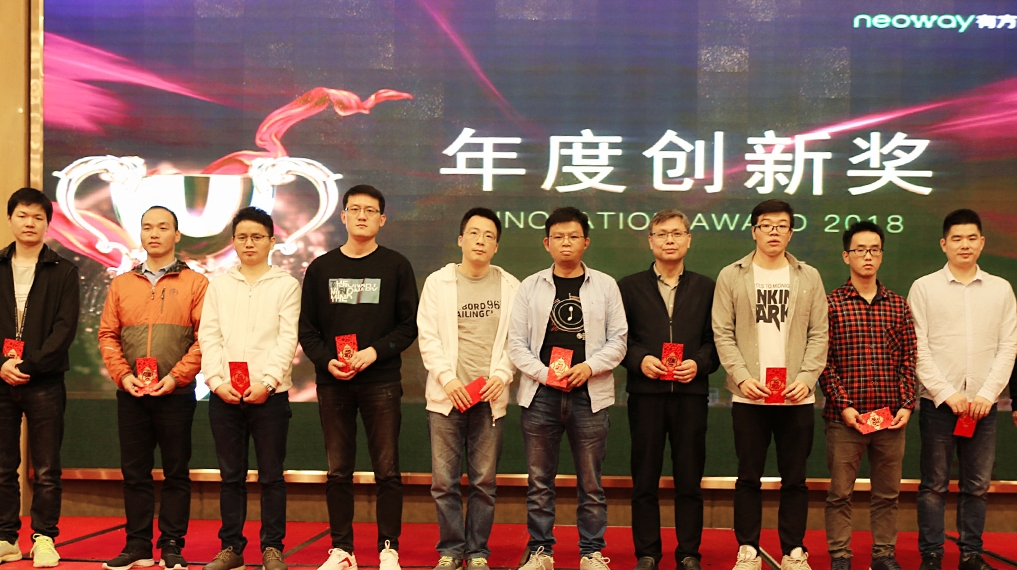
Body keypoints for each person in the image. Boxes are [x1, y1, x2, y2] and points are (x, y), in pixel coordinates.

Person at [298, 185, 418, 570]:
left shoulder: (396, 265)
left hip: (381, 381)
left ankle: (388, 549)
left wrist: (374, 352)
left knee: (387, 471)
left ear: (382, 219)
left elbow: (408, 326)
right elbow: (307, 331)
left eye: (370, 210)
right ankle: (342, 550)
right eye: (355, 209)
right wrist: (327, 361)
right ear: (343, 216)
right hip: (334, 383)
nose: (362, 215)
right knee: (338, 471)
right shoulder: (321, 268)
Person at [508, 206, 627, 570]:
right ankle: (541, 552)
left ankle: (591, 552)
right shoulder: (530, 286)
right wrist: (545, 374)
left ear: (586, 242)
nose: (566, 243)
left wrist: (589, 367)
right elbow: (516, 345)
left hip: (589, 395)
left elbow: (619, 340)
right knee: (539, 481)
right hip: (540, 394)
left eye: (573, 236)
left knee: (591, 482)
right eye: (558, 237)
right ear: (547, 243)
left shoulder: (605, 285)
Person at [712, 199, 828, 570]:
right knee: (748, 477)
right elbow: (722, 332)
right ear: (754, 231)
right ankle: (748, 549)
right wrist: (742, 377)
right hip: (750, 397)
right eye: (766, 225)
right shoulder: (732, 275)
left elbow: (819, 333)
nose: (773, 231)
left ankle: (793, 550)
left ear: (791, 232)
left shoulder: (809, 276)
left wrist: (806, 379)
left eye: (781, 225)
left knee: (795, 479)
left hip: (796, 397)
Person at [98, 206, 208, 570]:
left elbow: (204, 339)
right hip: (131, 393)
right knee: (135, 473)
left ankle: (172, 544)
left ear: (177, 235)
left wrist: (175, 377)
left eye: (163, 227)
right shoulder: (121, 284)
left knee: (176, 472)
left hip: (176, 393)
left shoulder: (196, 283)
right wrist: (123, 376)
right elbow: (108, 335)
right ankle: (138, 545)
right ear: (141, 234)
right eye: (148, 227)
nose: (154, 233)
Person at [908, 209, 1017, 570]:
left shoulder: (1001, 289)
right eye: (957, 238)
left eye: (971, 238)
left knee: (977, 486)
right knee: (934, 485)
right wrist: (946, 393)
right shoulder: (924, 287)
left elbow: (1008, 347)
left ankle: (971, 554)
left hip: (984, 406)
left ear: (982, 242)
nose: (964, 245)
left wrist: (987, 394)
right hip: (938, 404)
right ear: (944, 244)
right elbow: (918, 348)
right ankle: (932, 555)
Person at [417, 207, 520, 570]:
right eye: (474, 233)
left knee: (484, 483)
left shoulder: (511, 286)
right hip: (447, 398)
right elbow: (427, 336)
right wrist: (448, 379)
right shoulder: (438, 282)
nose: (481, 240)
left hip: (489, 399)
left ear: (496, 247)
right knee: (444, 483)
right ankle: (450, 550)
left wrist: (502, 375)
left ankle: (477, 553)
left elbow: (516, 341)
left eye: (489, 236)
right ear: (461, 240)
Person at [198, 207, 300, 570]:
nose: (249, 243)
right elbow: (209, 336)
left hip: (270, 396)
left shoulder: (286, 285)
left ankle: (272, 548)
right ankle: (231, 548)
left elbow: (287, 339)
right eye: (242, 237)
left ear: (272, 241)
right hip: (224, 396)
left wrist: (267, 383)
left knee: (271, 476)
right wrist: (216, 382)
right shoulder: (219, 285)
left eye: (257, 236)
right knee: (231, 477)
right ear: (233, 242)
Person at [618, 209, 719, 570]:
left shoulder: (707, 287)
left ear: (689, 239)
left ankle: (689, 553)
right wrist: (639, 360)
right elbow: (618, 340)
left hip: (691, 395)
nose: (669, 240)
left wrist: (700, 363)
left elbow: (716, 341)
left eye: (676, 233)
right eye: (662, 234)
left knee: (689, 480)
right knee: (644, 479)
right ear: (650, 241)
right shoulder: (628, 287)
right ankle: (647, 553)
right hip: (646, 395)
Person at [820, 221, 917, 570]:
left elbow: (909, 359)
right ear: (846, 256)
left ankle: (884, 554)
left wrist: (907, 404)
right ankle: (840, 555)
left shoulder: (898, 305)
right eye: (860, 249)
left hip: (890, 419)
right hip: (845, 419)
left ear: (881, 255)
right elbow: (823, 362)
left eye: (874, 249)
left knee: (888, 494)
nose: (867, 256)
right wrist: (844, 405)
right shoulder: (831, 304)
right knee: (839, 493)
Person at [0, 189, 79, 567]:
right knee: (3, 466)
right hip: (0, 379)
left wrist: (27, 366)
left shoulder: (63, 270)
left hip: (45, 381)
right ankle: (5, 537)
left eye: (37, 217)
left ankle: (44, 537)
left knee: (47, 467)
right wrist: (1, 364)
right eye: (22, 215)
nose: (29, 223)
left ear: (48, 223)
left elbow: (65, 329)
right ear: (10, 219)